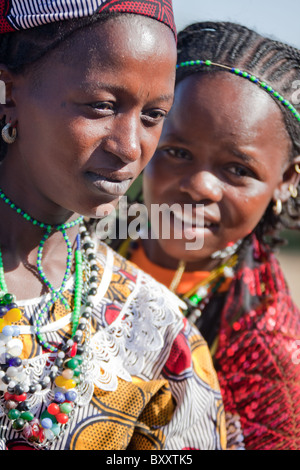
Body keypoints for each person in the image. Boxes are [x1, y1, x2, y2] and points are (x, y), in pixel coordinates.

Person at [0, 2, 226, 451]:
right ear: (8, 95)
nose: (129, 147)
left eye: (153, 116)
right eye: (102, 106)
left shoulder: (158, 334)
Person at [117, 22, 300, 450]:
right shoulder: (70, 245)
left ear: (286, 180)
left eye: (238, 169)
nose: (199, 186)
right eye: (177, 152)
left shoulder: (270, 352)